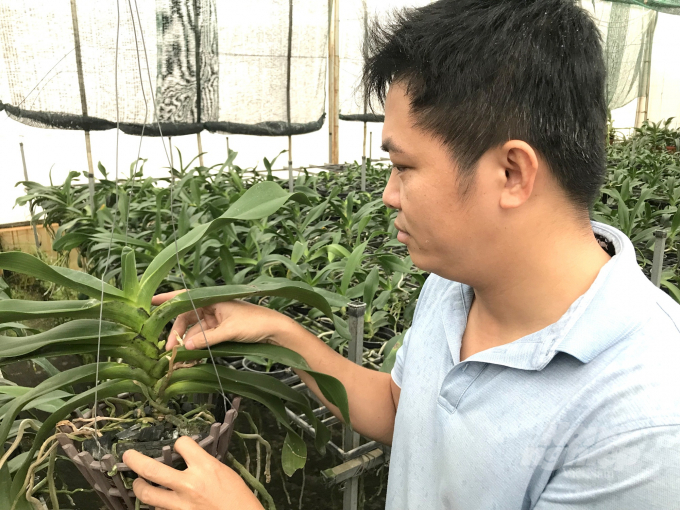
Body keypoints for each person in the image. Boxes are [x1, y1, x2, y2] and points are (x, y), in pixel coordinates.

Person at [123, 0, 680, 508]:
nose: (389, 194)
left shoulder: (642, 422)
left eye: (404, 166)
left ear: (511, 173)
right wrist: (279, 332)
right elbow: (401, 409)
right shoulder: (460, 281)